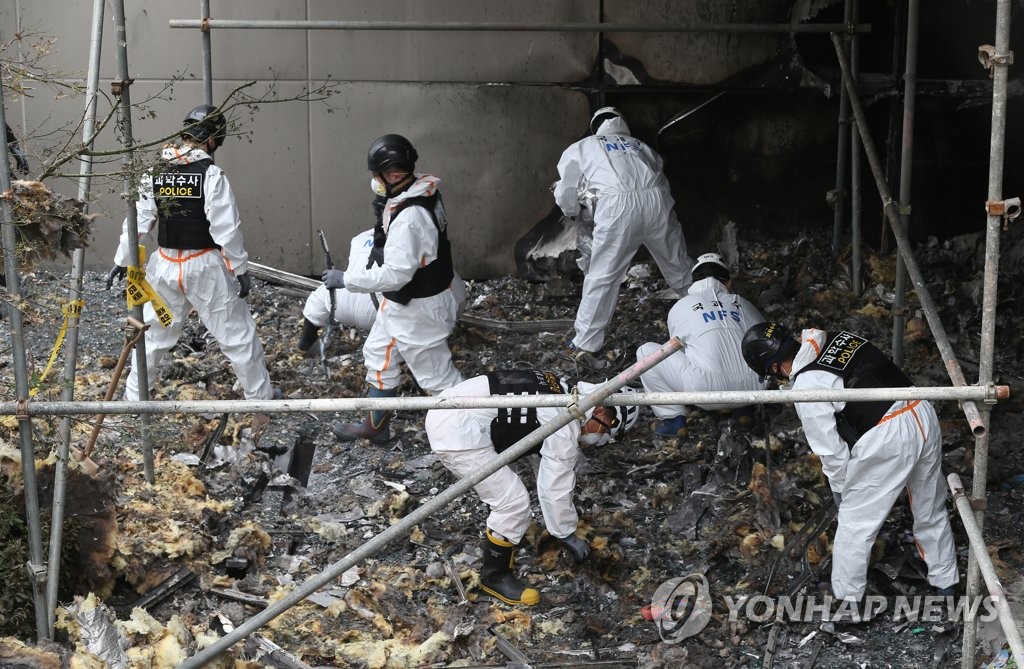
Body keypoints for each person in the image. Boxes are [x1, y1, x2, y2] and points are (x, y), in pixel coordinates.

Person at [740, 322, 959, 604]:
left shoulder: (807, 385)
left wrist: (844, 490)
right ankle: (946, 584)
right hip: (921, 410)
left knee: (855, 524)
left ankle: (847, 601)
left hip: (889, 433)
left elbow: (830, 451)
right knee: (929, 506)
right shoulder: (840, 339)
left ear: (772, 368)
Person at [424, 370, 640, 605]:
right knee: (512, 503)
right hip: (459, 434)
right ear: (601, 411)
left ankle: (500, 548)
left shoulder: (565, 389)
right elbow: (554, 488)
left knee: (508, 491)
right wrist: (566, 533)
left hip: (449, 410)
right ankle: (494, 577)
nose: (601, 439)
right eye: (607, 431)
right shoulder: (566, 422)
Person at [108, 104, 274, 405]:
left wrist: (122, 260)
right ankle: (260, 402)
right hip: (204, 269)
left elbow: (138, 223)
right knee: (237, 336)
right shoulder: (211, 175)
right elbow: (227, 229)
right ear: (212, 140)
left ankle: (134, 403)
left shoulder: (155, 173)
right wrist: (239, 268)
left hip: (165, 267)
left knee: (152, 338)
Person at [324, 134, 463, 442]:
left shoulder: (411, 216)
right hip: (404, 302)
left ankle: (472, 430)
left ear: (392, 175)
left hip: (419, 310)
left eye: (378, 175)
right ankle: (376, 427)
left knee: (439, 379)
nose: (375, 181)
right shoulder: (421, 191)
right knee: (379, 354)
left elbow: (396, 276)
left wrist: (346, 279)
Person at [552, 106, 694, 370]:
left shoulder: (583, 146)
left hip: (617, 206)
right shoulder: (641, 146)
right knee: (678, 264)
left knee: (604, 275)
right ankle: (704, 318)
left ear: (596, 127)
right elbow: (660, 174)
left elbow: (566, 190)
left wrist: (573, 212)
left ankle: (585, 344)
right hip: (657, 200)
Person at [636, 253, 767, 437]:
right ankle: (743, 411)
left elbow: (677, 349)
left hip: (706, 392)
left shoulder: (681, 306)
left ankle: (672, 420)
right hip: (757, 389)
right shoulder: (745, 304)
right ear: (728, 283)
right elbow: (765, 343)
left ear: (693, 283)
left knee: (645, 352)